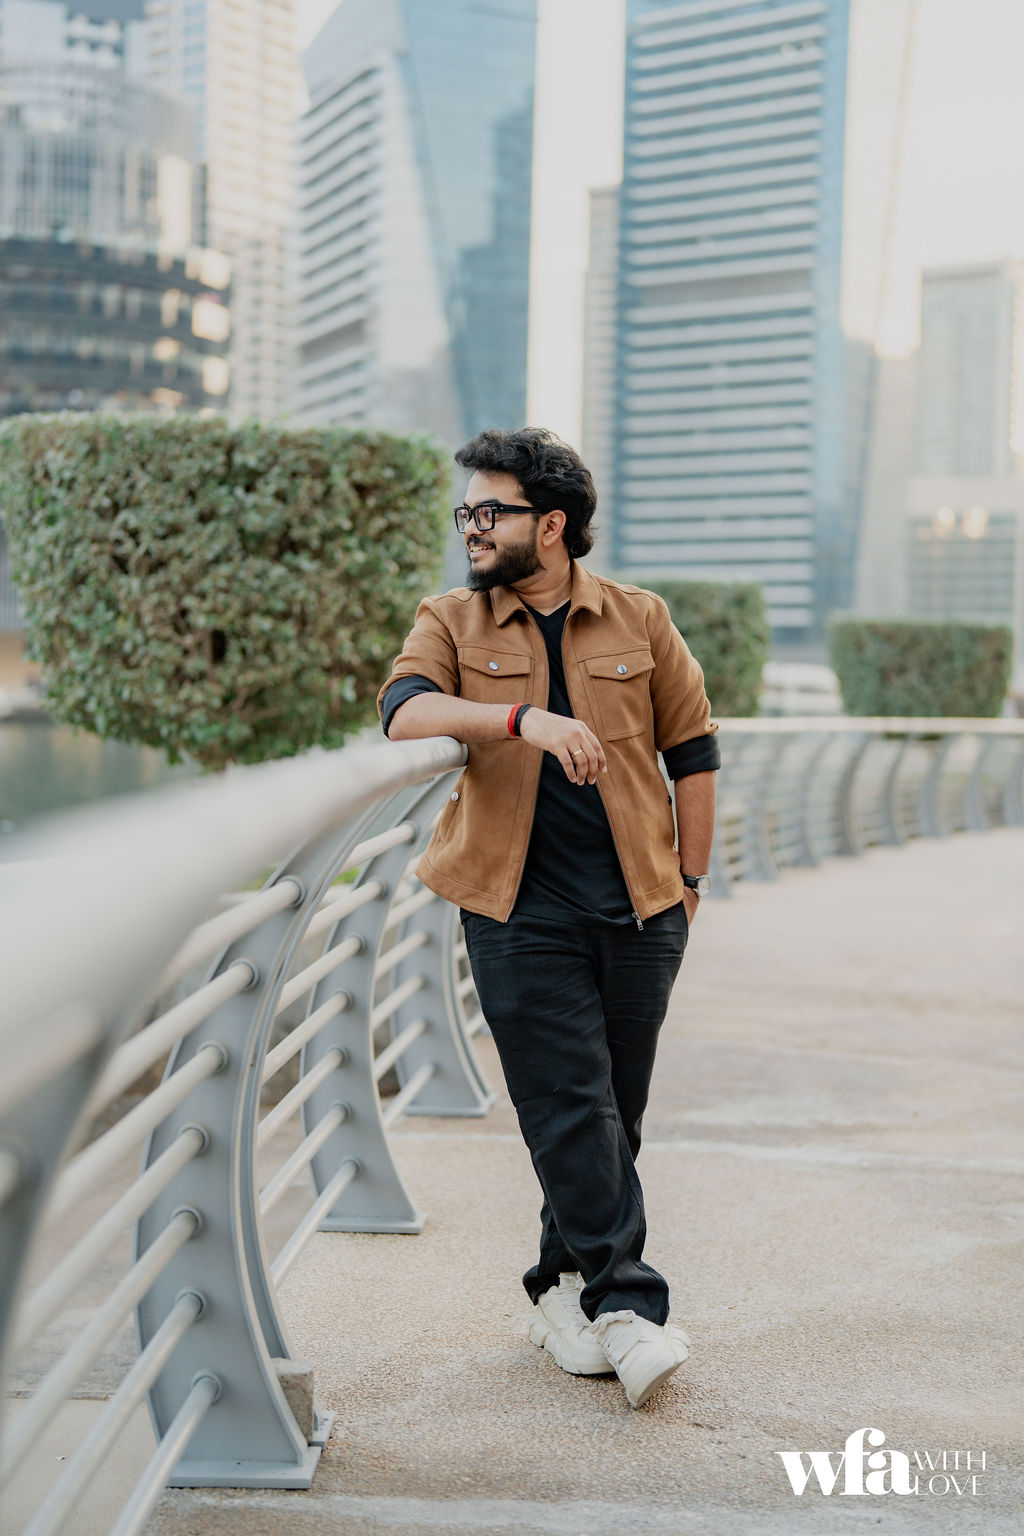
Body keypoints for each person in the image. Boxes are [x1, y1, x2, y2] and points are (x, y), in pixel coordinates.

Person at [377, 427, 720, 1409]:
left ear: (553, 525)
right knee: (568, 1102)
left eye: (493, 512)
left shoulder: (641, 620)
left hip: (642, 905)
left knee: (617, 1111)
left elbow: (692, 753)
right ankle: (629, 1306)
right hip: (514, 908)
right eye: (467, 513)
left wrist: (688, 882)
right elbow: (402, 711)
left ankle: (557, 1287)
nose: (472, 528)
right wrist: (523, 720)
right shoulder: (451, 617)